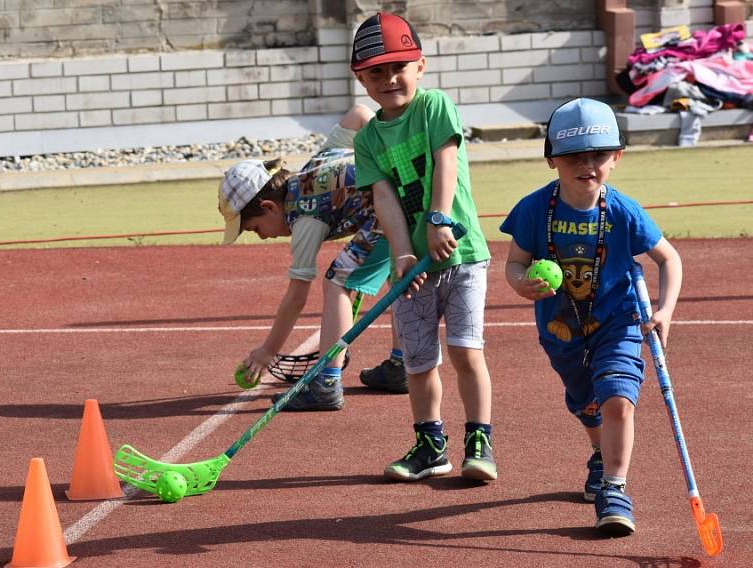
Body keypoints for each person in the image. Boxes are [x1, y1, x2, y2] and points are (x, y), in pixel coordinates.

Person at [499, 97, 683, 535]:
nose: (588, 164)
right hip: (561, 330)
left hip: (617, 322)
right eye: (574, 156)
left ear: (616, 158)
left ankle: (615, 489)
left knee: (619, 398)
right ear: (551, 160)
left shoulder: (623, 211)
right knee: (589, 404)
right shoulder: (533, 209)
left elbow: (669, 259)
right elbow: (513, 263)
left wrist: (665, 310)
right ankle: (600, 454)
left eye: (599, 154)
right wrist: (520, 283)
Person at [350, 11, 497, 482]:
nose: (389, 78)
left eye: (398, 66)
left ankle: (480, 440)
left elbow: (445, 161)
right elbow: (384, 198)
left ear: (420, 66)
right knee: (417, 361)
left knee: (464, 351)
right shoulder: (369, 138)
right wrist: (399, 252)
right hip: (414, 268)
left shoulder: (435, 107)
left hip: (462, 255)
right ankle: (431, 444)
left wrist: (438, 219)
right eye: (376, 72)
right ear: (362, 79)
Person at [218, 104, 408, 412]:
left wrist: (268, 351)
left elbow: (296, 297)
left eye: (254, 229)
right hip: (404, 203)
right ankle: (402, 364)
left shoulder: (304, 218)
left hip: (386, 215)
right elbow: (359, 113)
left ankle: (327, 384)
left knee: (337, 283)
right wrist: (392, 160)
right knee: (395, 277)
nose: (262, 236)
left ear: (269, 207)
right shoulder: (319, 161)